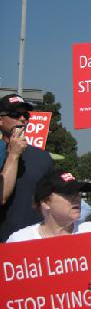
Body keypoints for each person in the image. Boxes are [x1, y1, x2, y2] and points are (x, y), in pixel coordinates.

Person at [7, 169, 91, 294]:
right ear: (45, 203)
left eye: (78, 193)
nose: (77, 198)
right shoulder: (19, 241)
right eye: (68, 193)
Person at [0, 94, 54, 242]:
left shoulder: (43, 158)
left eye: (26, 114)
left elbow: (51, 202)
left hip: (35, 246)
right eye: (15, 114)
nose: (22, 119)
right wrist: (13, 155)